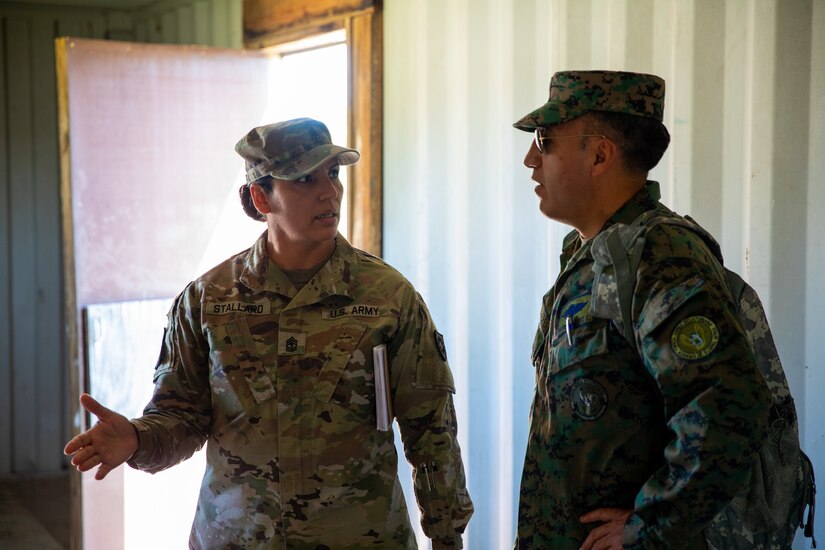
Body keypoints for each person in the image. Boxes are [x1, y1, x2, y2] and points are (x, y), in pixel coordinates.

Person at [64, 117, 473, 549]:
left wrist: (447, 536)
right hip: (236, 539)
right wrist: (137, 439)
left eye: (333, 174)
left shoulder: (388, 298)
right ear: (262, 197)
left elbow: (431, 430)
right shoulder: (208, 301)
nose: (329, 191)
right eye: (304, 179)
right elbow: (181, 418)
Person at [511, 71, 772, 549]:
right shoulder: (591, 254)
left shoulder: (660, 254)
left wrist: (650, 525)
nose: (530, 159)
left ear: (600, 155)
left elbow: (729, 408)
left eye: (545, 142)